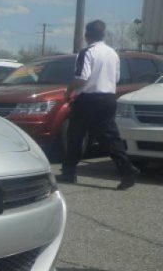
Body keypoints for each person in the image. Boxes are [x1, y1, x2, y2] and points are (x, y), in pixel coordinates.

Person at [57, 19, 139, 190]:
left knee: (75, 136)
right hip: (108, 98)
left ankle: (69, 172)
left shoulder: (86, 52)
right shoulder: (113, 53)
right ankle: (127, 170)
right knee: (110, 138)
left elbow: (82, 78)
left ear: (87, 36)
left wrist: (67, 91)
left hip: (88, 99)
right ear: (103, 35)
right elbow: (116, 78)